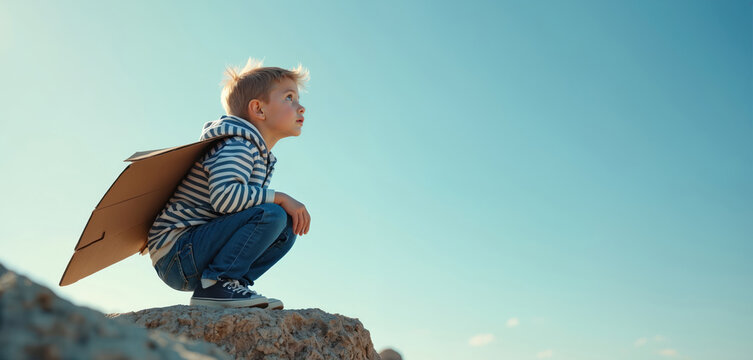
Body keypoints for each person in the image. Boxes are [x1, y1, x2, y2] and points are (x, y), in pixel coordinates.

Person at [145, 58, 311, 309]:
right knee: (274, 213)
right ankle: (217, 283)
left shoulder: (256, 151)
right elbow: (225, 197)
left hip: (194, 250)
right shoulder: (238, 145)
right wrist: (280, 197)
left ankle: (232, 285)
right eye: (289, 98)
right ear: (259, 109)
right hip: (177, 253)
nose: (301, 107)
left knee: (287, 227)